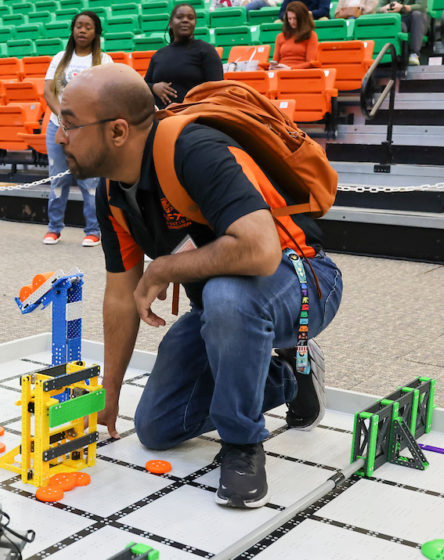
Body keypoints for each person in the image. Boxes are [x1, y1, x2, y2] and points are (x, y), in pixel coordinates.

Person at [57, 64, 342, 508]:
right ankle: (288, 375)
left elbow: (261, 250)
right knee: (157, 427)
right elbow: (119, 297)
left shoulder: (193, 149)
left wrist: (164, 268)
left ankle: (243, 444)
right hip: (219, 309)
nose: (59, 137)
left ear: (117, 131)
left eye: (69, 123)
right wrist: (108, 391)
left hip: (303, 280)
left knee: (227, 296)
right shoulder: (111, 192)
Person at [43, 10, 112, 247]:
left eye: (88, 27)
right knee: (57, 180)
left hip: (88, 131)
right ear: (72, 30)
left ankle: (93, 230)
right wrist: (62, 114)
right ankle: (54, 228)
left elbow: (108, 95)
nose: (82, 30)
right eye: (78, 26)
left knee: (90, 182)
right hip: (57, 128)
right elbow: (48, 92)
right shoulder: (59, 58)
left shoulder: (104, 60)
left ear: (96, 32)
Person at [145, 3, 223, 110]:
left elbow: (217, 89)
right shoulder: (159, 55)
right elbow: (144, 85)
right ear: (171, 23)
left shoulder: (206, 50)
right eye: (179, 17)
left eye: (190, 18)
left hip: (193, 116)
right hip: (159, 116)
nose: (185, 20)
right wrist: (153, 87)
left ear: (195, 23)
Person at [378, 0, 428, 65]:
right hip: (398, 18)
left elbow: (422, 6)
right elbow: (377, 9)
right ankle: (388, 56)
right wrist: (385, 8)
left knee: (417, 14)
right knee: (395, 23)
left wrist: (403, 7)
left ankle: (414, 54)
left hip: (413, 18)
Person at [271, 2, 319, 70]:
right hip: (281, 72)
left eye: (295, 18)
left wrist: (290, 68)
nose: (292, 22)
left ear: (302, 18)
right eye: (289, 19)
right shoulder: (280, 37)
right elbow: (275, 61)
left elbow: (310, 63)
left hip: (300, 73)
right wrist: (272, 67)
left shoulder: (311, 35)